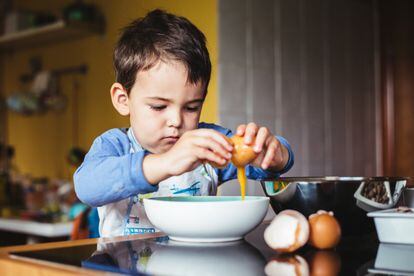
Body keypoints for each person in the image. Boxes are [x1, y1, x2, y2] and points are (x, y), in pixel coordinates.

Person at [74, 9, 294, 238]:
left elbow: (265, 160)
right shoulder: (116, 145)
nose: (176, 121)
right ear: (123, 100)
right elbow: (87, 187)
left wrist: (274, 155)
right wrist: (166, 162)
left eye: (191, 107)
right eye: (159, 107)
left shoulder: (206, 143)